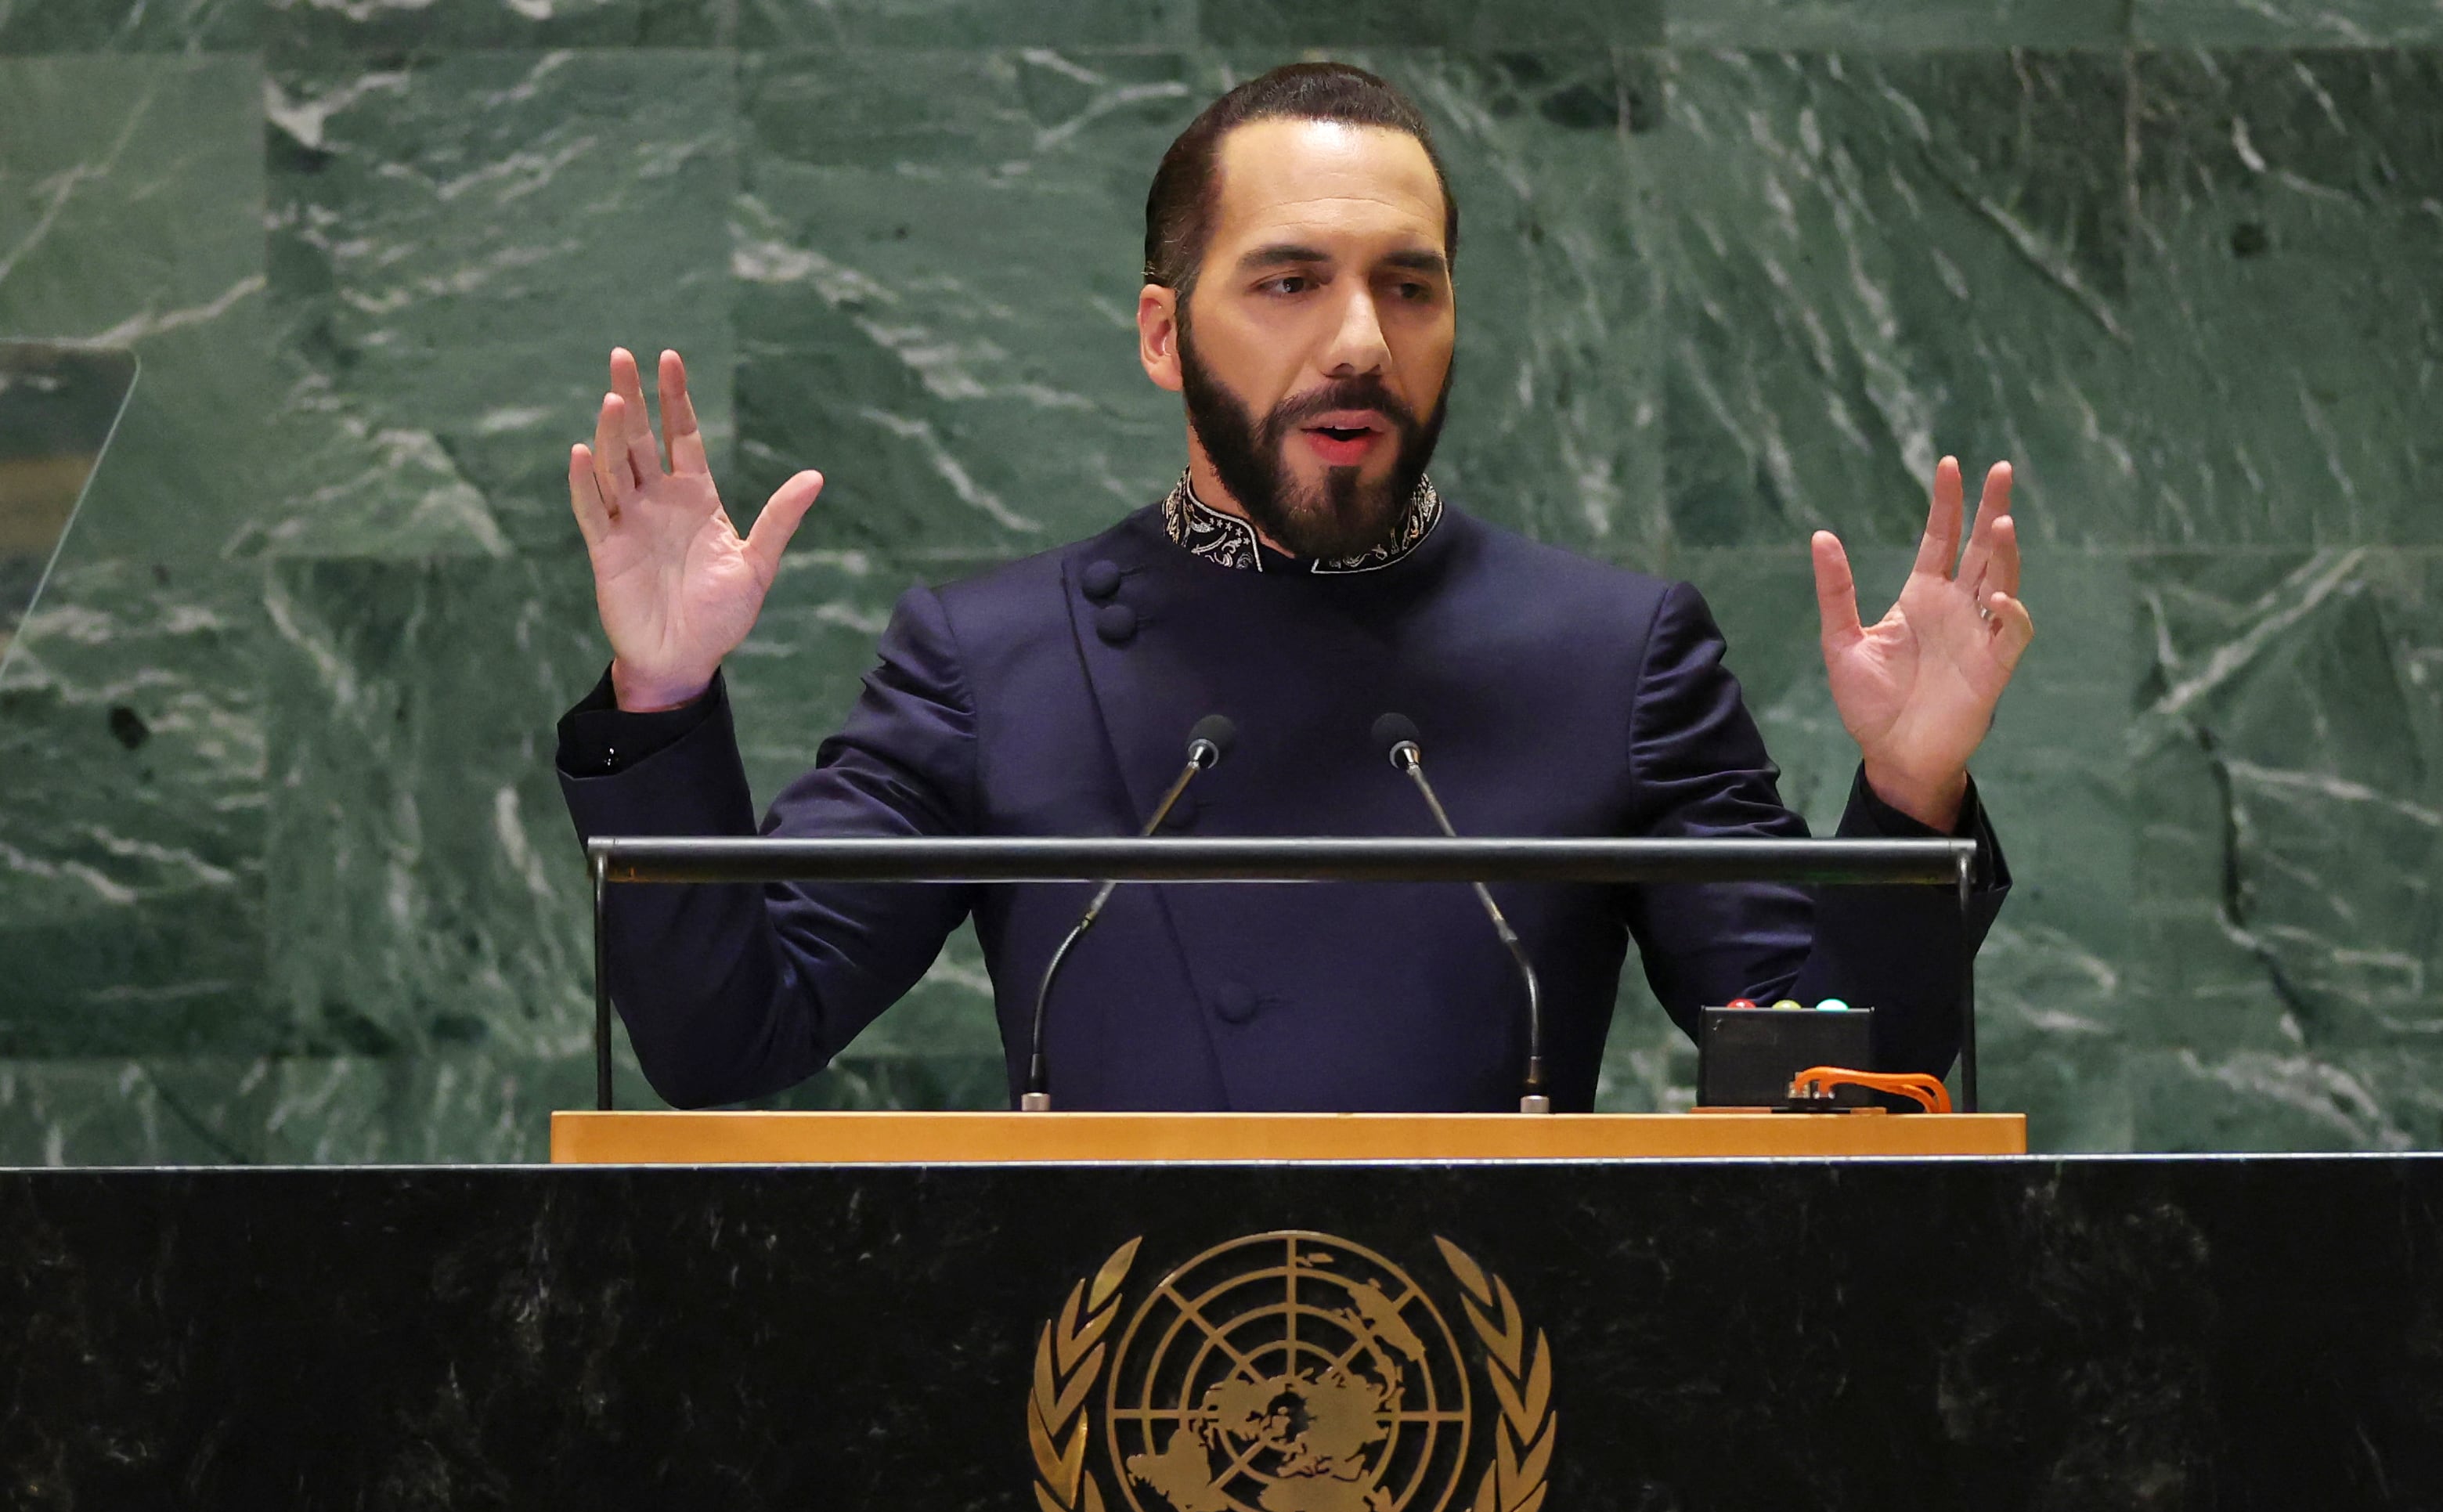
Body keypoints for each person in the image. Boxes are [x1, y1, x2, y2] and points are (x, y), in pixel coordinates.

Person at [554, 62, 2031, 1113]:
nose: (1360, 342)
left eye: (1408, 283)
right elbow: (728, 1040)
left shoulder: (1613, 654)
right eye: (1286, 282)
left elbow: (1828, 1089)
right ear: (1160, 332)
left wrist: (1907, 792)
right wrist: (663, 695)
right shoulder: (991, 658)